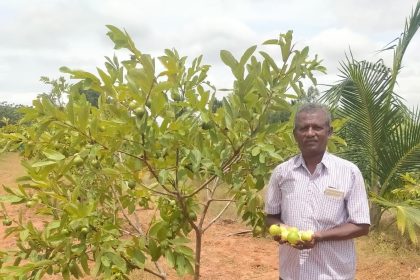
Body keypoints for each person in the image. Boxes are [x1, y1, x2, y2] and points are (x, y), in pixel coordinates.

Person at [264, 103, 370, 280]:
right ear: (295, 135)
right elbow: (271, 216)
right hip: (291, 274)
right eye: (303, 128)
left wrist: (319, 236)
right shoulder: (282, 172)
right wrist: (281, 230)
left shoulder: (349, 172)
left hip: (334, 275)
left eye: (317, 127)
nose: (310, 133)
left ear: (329, 132)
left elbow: (361, 226)